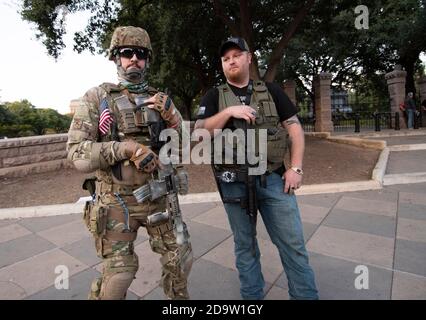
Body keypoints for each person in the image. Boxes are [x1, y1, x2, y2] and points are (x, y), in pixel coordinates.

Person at [67, 26, 193, 300]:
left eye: (140, 54)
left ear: (147, 59)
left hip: (160, 197)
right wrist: (127, 148)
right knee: (119, 276)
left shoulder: (160, 100)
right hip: (116, 202)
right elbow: (77, 153)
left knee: (180, 262)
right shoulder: (97, 98)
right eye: (127, 53)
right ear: (116, 58)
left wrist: (174, 118)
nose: (134, 59)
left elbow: (184, 144)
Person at [194, 37, 318, 300]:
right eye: (226, 59)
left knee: (293, 245)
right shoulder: (214, 96)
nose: (231, 61)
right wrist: (229, 112)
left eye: (236, 55)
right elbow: (199, 134)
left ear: (249, 58)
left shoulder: (272, 90)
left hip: (274, 179)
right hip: (234, 184)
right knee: (244, 246)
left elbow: (294, 127)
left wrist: (296, 168)